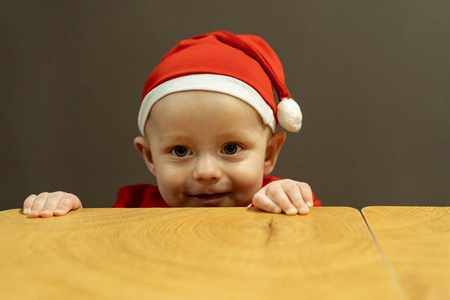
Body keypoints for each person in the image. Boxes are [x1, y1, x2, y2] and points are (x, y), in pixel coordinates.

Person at [22, 30, 321, 218]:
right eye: (180, 151)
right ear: (150, 156)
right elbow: (100, 254)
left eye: (231, 148)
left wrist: (291, 206)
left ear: (268, 155)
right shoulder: (134, 210)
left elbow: (318, 244)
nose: (206, 173)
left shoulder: (273, 202)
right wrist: (66, 215)